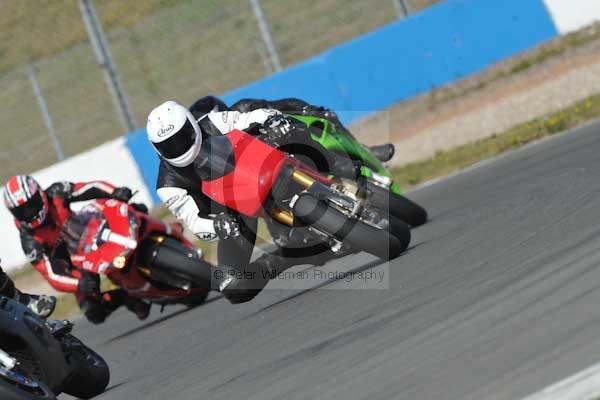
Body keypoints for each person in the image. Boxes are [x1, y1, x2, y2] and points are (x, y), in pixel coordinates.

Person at [147, 99, 365, 304]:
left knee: (289, 132)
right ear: (158, 150)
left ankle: (336, 165)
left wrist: (271, 120)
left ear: (191, 124)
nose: (179, 147)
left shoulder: (211, 123)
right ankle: (282, 259)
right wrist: (218, 225)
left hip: (258, 167)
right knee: (234, 287)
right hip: (233, 214)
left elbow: (249, 118)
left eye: (181, 137)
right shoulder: (168, 185)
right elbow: (193, 221)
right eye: (169, 146)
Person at [4, 175, 151, 324]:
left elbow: (90, 187)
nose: (29, 212)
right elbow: (51, 275)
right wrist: (79, 284)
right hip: (76, 263)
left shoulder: (56, 192)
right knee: (94, 312)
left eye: (31, 205)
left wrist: (115, 191)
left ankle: (150, 225)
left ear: (39, 194)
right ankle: (127, 297)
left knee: (129, 209)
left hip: (92, 231)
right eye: (22, 211)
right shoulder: (29, 240)